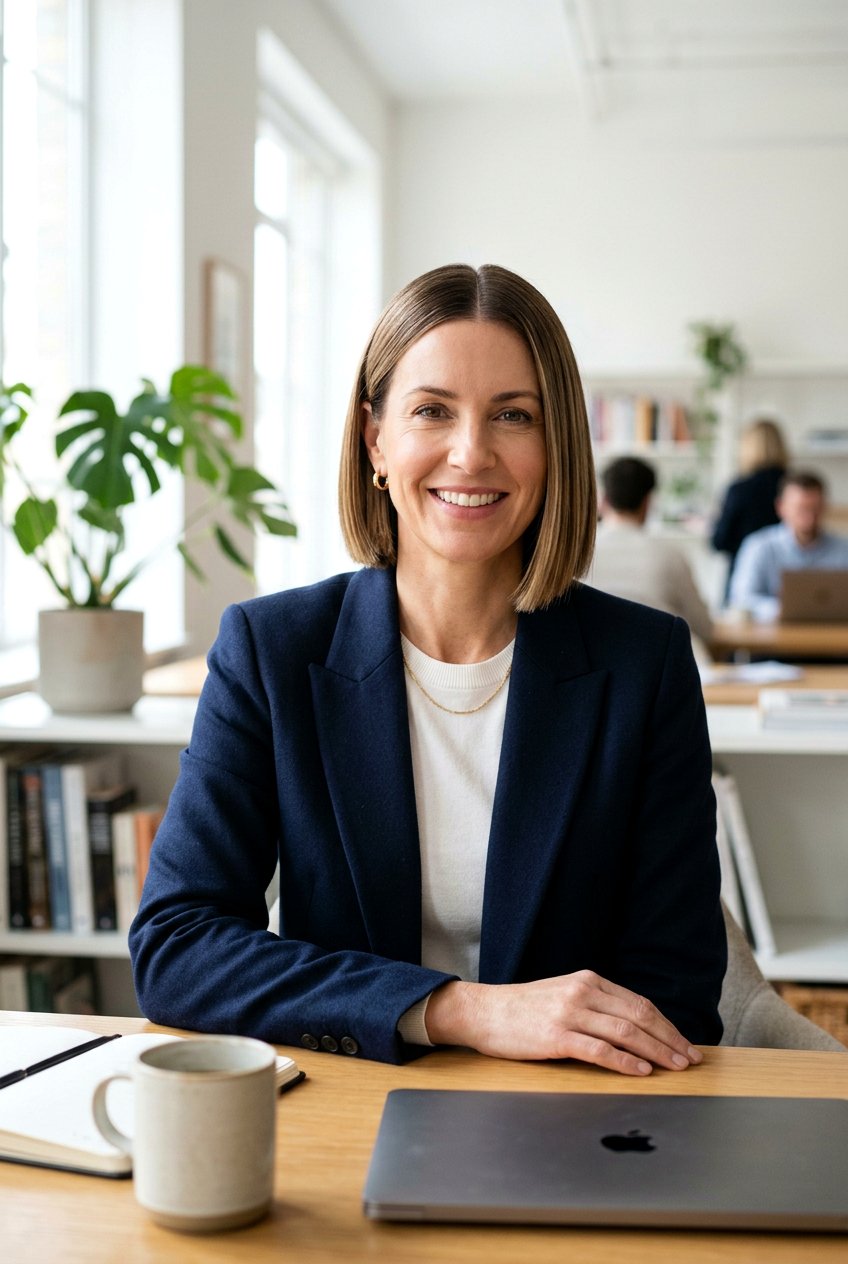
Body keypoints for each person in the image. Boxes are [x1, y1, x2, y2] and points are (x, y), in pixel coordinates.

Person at [130, 264, 726, 1074]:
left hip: (574, 1114)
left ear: (555, 448)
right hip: (352, 1098)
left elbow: (678, 989)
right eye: (431, 411)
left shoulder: (643, 665)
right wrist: (459, 1011)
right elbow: (177, 945)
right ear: (377, 440)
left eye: (513, 415)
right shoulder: (270, 652)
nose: (471, 452)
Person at [588, 455, 712, 658]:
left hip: (592, 669)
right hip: (661, 669)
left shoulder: (577, 555)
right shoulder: (670, 556)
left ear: (603, 500)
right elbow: (704, 628)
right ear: (648, 502)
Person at [728, 470, 848, 620]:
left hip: (833, 638)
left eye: (815, 509)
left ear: (824, 507)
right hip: (772, 639)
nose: (809, 517)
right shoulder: (759, 546)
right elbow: (741, 598)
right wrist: (781, 609)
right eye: (801, 509)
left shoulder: (844, 549)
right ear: (781, 507)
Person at [711, 417, 788, 596]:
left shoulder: (739, 489)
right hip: (787, 579)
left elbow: (719, 541)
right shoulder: (794, 488)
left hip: (743, 577)